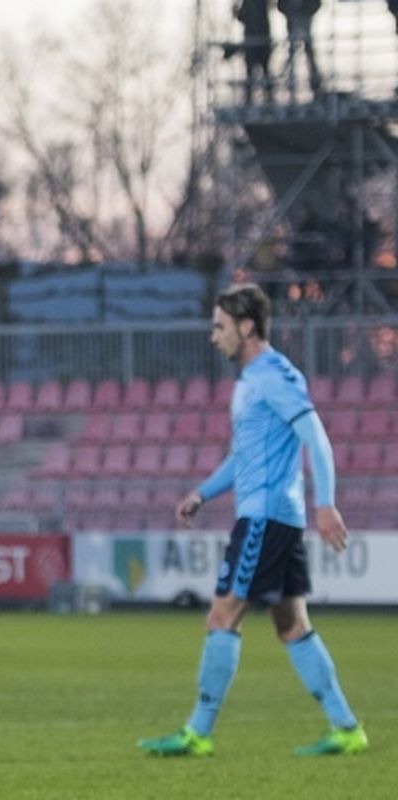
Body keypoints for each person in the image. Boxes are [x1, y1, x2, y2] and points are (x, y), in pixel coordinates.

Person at [138, 284, 367, 757]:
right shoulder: (251, 381)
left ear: (247, 327)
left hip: (264, 519)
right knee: (292, 625)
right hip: (276, 516)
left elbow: (317, 439)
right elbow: (244, 456)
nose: (213, 336)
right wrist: (203, 492)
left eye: (220, 326)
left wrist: (326, 503)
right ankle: (346, 728)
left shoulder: (273, 376)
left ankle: (197, 732)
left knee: (222, 614)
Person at [230, 0, 274, 105]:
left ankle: (261, 98)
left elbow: (243, 16)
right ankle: (266, 97)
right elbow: (243, 16)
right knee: (258, 71)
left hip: (257, 40)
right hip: (258, 39)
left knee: (257, 71)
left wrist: (236, 11)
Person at [278, 0, 322, 100]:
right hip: (297, 20)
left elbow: (316, 4)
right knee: (301, 54)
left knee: (302, 53)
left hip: (300, 20)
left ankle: (313, 84)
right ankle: (312, 84)